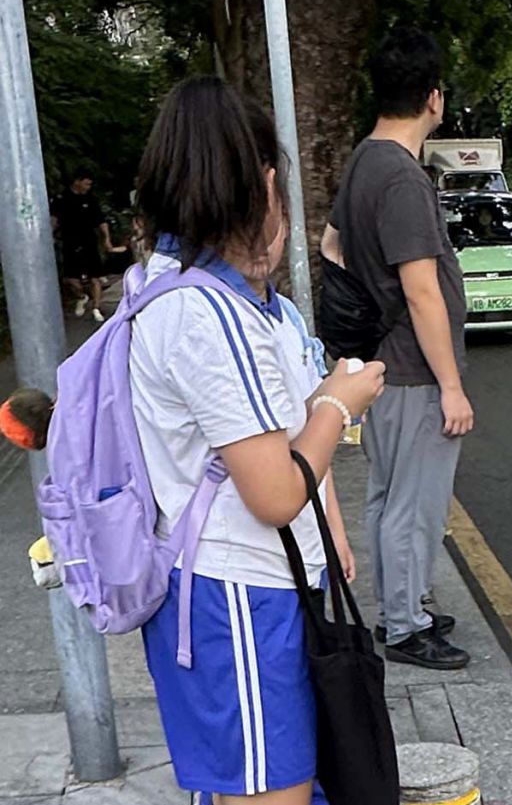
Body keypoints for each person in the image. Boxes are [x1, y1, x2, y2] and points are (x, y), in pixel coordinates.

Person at [131, 76, 386, 804]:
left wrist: (332, 531)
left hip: (248, 589)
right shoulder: (205, 315)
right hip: (236, 595)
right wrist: (340, 402)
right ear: (261, 179)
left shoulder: (209, 295)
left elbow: (277, 428)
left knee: (274, 784)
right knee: (270, 791)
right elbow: (274, 490)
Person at [321, 27, 472, 670]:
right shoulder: (404, 179)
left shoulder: (363, 159)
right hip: (415, 368)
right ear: (434, 98)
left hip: (383, 361)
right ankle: (407, 627)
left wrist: (367, 306)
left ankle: (399, 606)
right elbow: (423, 292)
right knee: (415, 505)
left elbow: (332, 247)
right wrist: (453, 387)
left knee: (388, 496)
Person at [51, 168, 116, 322]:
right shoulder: (62, 198)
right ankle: (82, 296)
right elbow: (54, 220)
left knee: (95, 276)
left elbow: (101, 220)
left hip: (89, 241)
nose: (88, 187)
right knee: (70, 278)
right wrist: (50, 235)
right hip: (70, 241)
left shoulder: (91, 199)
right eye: (86, 184)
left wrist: (106, 239)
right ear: (77, 182)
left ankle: (96, 307)